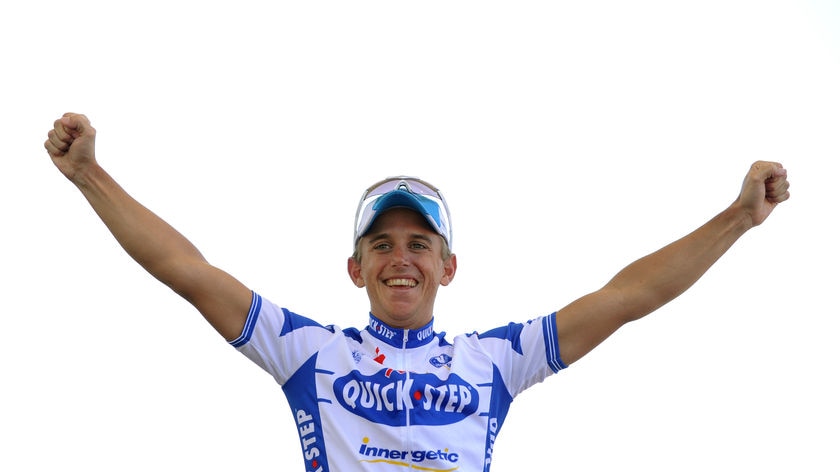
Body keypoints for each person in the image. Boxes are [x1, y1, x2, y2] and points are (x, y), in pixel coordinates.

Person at [44, 112, 790, 472]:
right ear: (356, 269)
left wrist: (737, 219)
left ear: (448, 267)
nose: (401, 259)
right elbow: (189, 271)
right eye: (382, 245)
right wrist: (89, 175)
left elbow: (627, 296)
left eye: (420, 245)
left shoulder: (494, 361)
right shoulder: (311, 352)